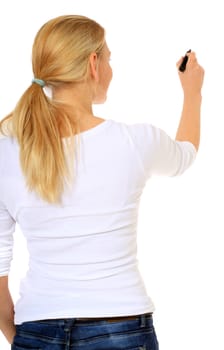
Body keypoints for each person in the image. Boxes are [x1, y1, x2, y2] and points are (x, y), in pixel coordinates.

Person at [0, 14, 204, 350]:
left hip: (37, 328)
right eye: (108, 58)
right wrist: (192, 92)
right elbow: (185, 155)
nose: (110, 68)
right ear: (93, 64)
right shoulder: (135, 143)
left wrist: (26, 340)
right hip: (121, 327)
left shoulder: (7, 152)